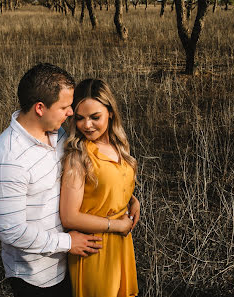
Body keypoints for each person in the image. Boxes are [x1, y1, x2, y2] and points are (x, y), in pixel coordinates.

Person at [0, 63, 104, 297]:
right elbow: (12, 231)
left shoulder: (56, 132)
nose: (71, 113)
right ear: (40, 108)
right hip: (37, 277)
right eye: (64, 107)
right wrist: (68, 242)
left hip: (69, 260)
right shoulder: (8, 159)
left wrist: (124, 196)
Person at [60, 79, 140, 297]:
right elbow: (69, 217)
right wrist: (116, 226)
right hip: (95, 247)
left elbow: (110, 183)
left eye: (95, 117)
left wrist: (132, 200)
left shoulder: (119, 145)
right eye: (80, 118)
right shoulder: (79, 156)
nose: (87, 125)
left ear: (111, 113)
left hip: (121, 244)